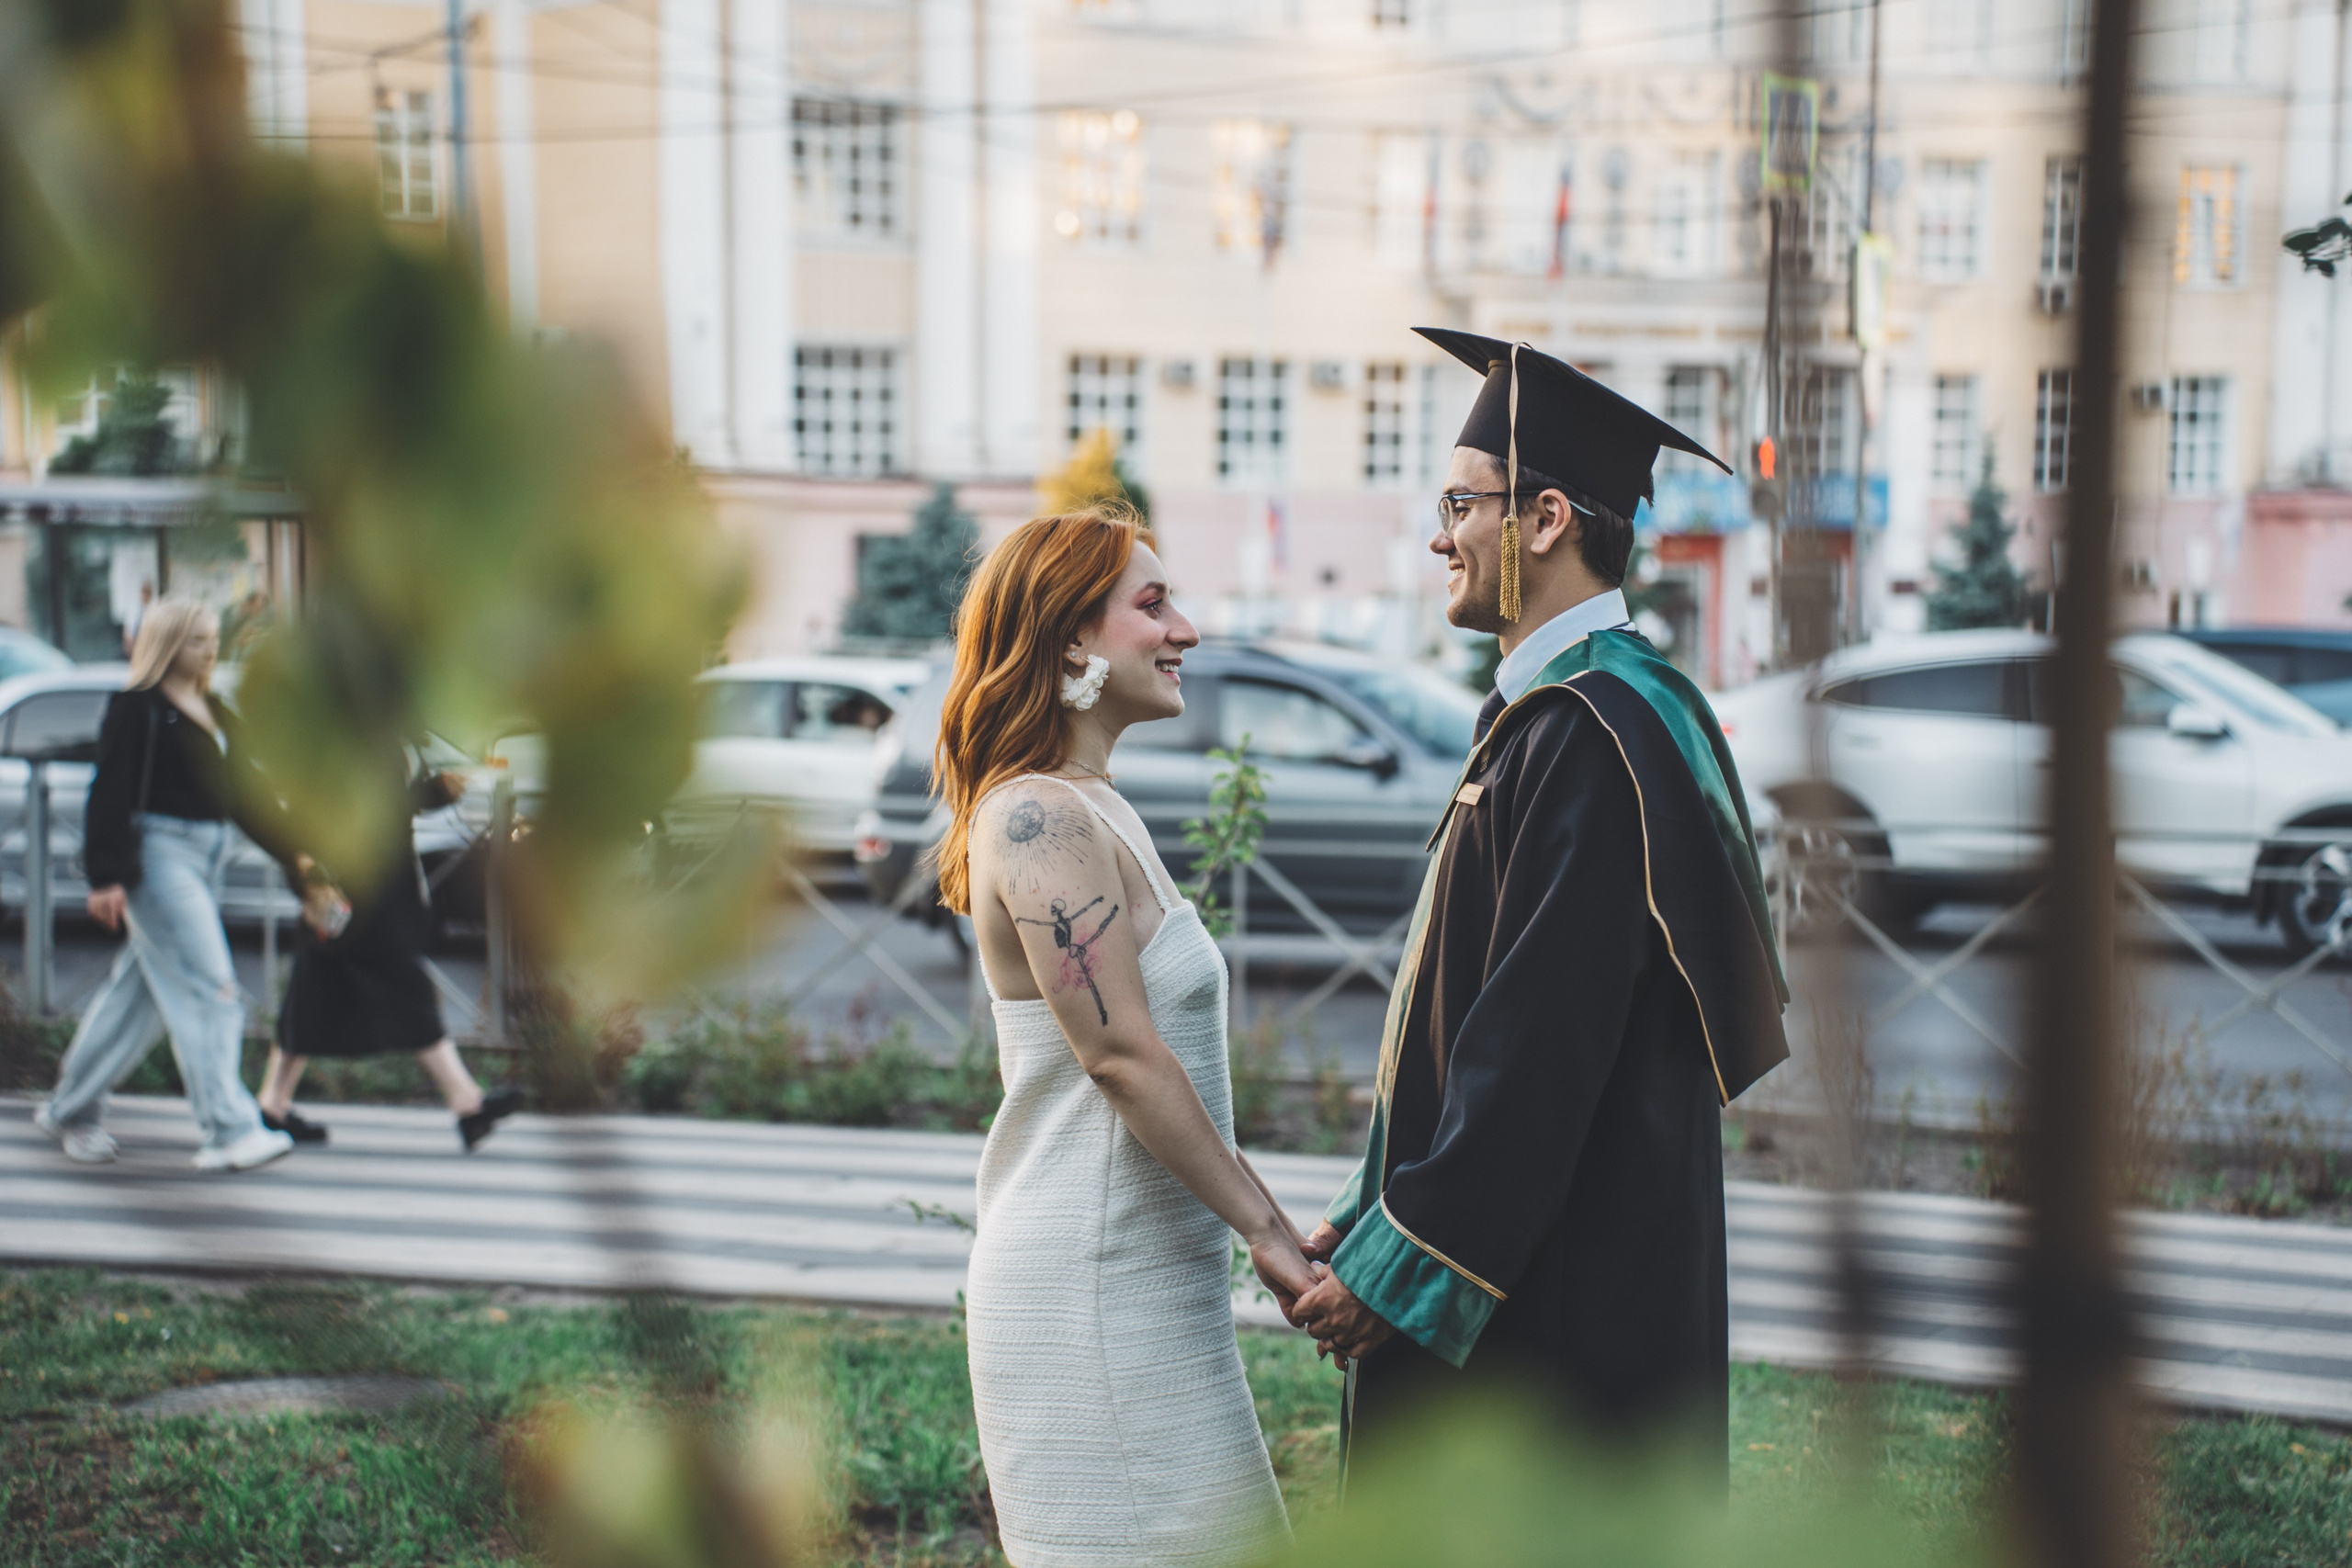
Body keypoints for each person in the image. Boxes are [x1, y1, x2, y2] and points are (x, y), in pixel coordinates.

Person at [1286, 332, 1790, 1485]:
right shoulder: (1572, 713)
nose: (1439, 533)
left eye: (1461, 504)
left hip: (1557, 1282)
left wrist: (1408, 1257)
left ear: (1547, 518)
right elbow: (1465, 1011)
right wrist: (1374, 1208)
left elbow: (1536, 1044)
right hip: (1550, 1234)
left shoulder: (1591, 733)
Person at [936, 507, 1314, 1568]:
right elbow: (1121, 1056)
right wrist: (1269, 1238)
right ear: (1068, 637)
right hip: (1085, 1302)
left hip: (1154, 1291)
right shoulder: (1035, 821)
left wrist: (1271, 1225)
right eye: (1152, 606)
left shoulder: (1093, 805)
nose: (1184, 629)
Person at [32, 600, 295, 1172]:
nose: (210, 647)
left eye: (212, 637)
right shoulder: (138, 707)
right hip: (160, 857)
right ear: (168, 643)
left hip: (209, 855)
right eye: (197, 639)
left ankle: (68, 1108)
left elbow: (247, 798)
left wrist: (300, 862)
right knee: (212, 988)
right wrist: (105, 877)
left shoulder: (217, 709)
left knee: (137, 998)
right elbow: (110, 790)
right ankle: (228, 1130)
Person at [250, 743, 521, 1151]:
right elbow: (331, 807)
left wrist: (440, 790)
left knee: (312, 988)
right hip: (353, 880)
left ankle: (272, 1104)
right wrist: (309, 875)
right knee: (404, 982)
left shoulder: (373, 725)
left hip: (366, 880)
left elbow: (388, 804)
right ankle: (467, 1103)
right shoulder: (339, 725)